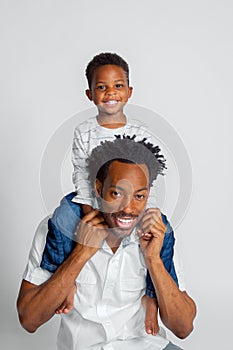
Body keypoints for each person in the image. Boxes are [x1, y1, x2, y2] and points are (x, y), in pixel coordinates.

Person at [39, 52, 176, 335]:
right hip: (94, 198)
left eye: (117, 86)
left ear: (129, 91)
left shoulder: (139, 129)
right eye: (102, 87)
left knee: (163, 230)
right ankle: (66, 283)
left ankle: (152, 297)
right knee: (62, 219)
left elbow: (148, 171)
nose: (110, 93)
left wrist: (140, 204)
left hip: (127, 202)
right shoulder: (84, 130)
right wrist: (90, 211)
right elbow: (80, 173)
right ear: (90, 94)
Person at [17, 136, 196, 350]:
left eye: (139, 196)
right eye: (117, 193)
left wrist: (153, 260)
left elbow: (183, 328)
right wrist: (81, 252)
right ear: (98, 187)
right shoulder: (60, 229)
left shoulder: (156, 234)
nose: (128, 208)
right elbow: (29, 319)